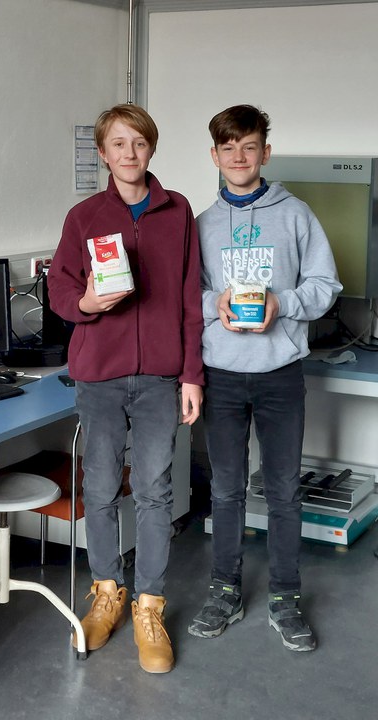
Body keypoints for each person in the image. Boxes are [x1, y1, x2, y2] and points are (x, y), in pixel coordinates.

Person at [47, 103, 203, 673]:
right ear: (103, 153)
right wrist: (86, 303)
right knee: (105, 487)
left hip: (162, 378)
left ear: (151, 149)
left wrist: (191, 375)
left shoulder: (177, 211)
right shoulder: (83, 216)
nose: (129, 154)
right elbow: (61, 291)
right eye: (118, 144)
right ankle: (108, 593)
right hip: (101, 378)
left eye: (138, 143)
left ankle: (149, 606)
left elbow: (190, 301)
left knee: (157, 491)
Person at [188, 104, 342, 651]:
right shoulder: (202, 226)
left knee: (282, 491)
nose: (238, 157)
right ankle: (224, 590)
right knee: (226, 491)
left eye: (248, 147)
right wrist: (216, 303)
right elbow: (190, 298)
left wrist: (284, 302)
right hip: (223, 376)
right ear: (214, 156)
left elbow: (327, 286)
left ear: (265, 153)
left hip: (280, 373)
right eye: (227, 148)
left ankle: (285, 595)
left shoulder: (296, 215)